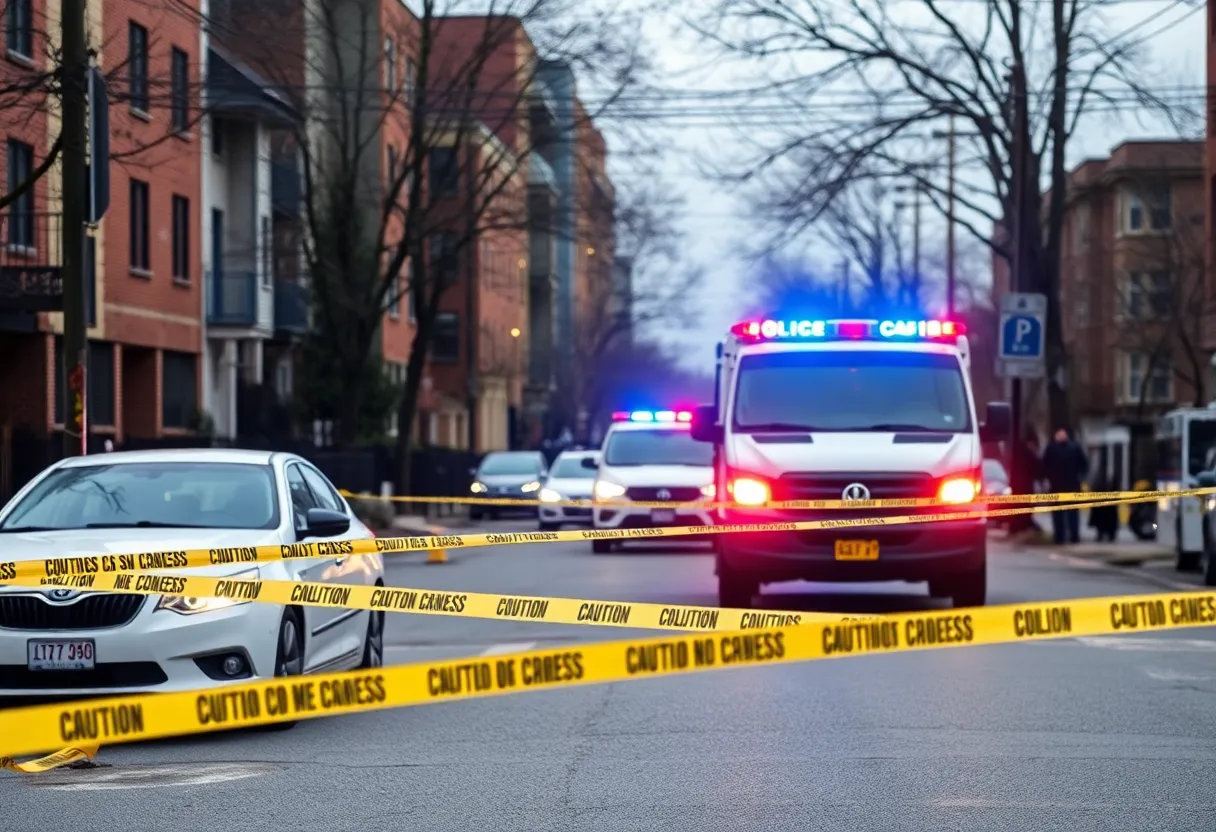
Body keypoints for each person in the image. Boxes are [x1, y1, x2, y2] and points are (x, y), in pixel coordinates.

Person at [1040, 426, 1090, 544]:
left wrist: (1080, 477)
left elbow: (1083, 465)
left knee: (1071, 512)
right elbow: (1044, 466)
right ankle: (1061, 536)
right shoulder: (1052, 449)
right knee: (1060, 513)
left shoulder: (1073, 448)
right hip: (1059, 485)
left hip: (1069, 484)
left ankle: (1072, 535)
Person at [1008, 431, 1041, 534]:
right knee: (1025, 505)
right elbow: (1036, 468)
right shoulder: (1029, 454)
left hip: (1021, 485)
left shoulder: (1020, 453)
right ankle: (1022, 524)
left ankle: (1019, 525)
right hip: (1025, 486)